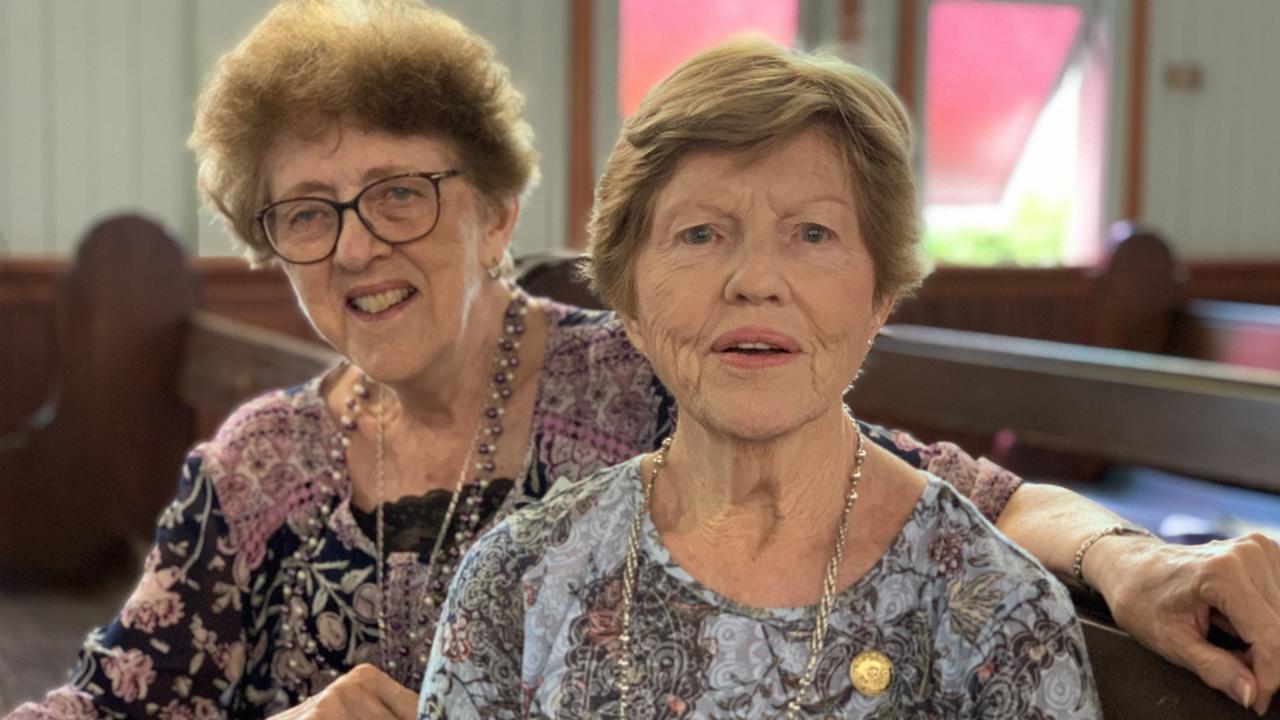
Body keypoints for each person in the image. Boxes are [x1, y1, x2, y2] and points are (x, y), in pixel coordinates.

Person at [9, 1, 1279, 718]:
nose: (356, 248)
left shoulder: (636, 375)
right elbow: (101, 704)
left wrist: (1130, 560)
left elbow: (949, 494)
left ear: (497, 212)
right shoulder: (258, 465)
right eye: (305, 213)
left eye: (399, 194)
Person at [419, 37, 1102, 718]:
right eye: (700, 234)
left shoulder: (1000, 611)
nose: (754, 283)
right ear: (628, 301)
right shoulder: (518, 578)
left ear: (880, 296)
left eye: (811, 234)